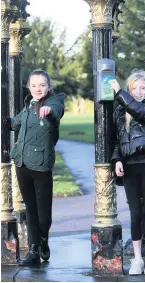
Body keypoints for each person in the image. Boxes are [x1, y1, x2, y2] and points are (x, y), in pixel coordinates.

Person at [9, 69, 65, 266]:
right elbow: (14, 124)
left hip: (41, 164)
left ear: (48, 86)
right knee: (30, 209)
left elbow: (56, 110)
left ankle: (43, 240)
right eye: (33, 85)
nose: (37, 88)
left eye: (42, 85)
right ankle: (33, 251)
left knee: (44, 212)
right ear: (28, 87)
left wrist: (49, 112)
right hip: (22, 163)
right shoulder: (27, 105)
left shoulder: (54, 102)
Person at [110, 70, 145, 275]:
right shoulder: (120, 111)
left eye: (143, 87)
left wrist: (121, 94)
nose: (139, 91)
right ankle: (138, 259)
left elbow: (141, 113)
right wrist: (116, 160)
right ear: (130, 89)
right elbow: (117, 139)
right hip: (129, 165)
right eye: (135, 88)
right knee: (135, 213)